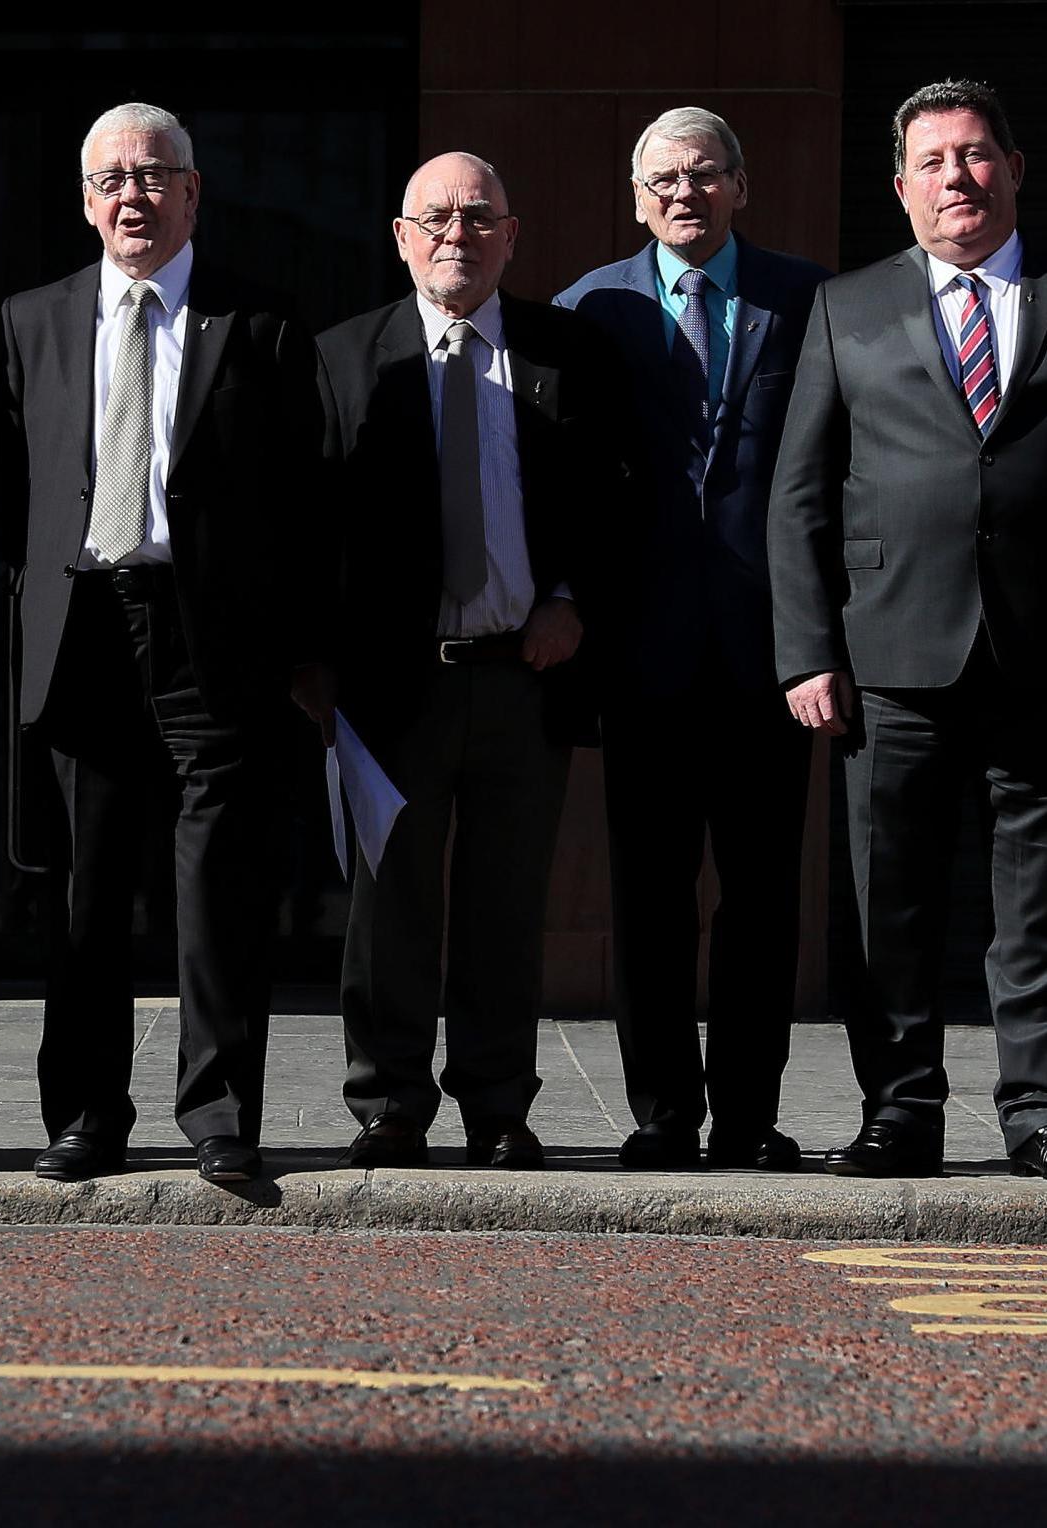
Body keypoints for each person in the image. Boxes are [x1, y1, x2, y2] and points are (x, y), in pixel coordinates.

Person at [0, 102, 332, 1185]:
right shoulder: (31, 320)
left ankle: (220, 1117)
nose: (132, 196)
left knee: (219, 886)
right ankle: (88, 1116)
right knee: (87, 890)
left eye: (154, 177)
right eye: (111, 180)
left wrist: (299, 650)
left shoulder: (267, 323)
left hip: (212, 638)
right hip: (84, 628)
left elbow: (301, 498)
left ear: (194, 193)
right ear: (85, 201)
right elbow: (16, 493)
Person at [319, 152, 618, 1172]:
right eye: (436, 217)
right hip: (393, 687)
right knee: (390, 905)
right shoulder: (344, 358)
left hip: (522, 677)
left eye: (479, 215)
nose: (458, 233)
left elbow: (610, 507)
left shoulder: (566, 353)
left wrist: (573, 602)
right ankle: (389, 1103)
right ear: (400, 236)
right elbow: (309, 531)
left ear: (511, 234)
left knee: (503, 906)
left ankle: (497, 1105)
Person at [769, 78, 1047, 1179]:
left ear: (1014, 169)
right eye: (932, 163)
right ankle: (901, 1113)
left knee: (1035, 911)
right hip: (888, 655)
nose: (957, 180)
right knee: (894, 900)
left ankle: (1036, 1115)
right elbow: (801, 495)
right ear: (900, 188)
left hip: (1039, 657)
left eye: (976, 155)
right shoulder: (849, 308)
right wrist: (806, 651)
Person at [555, 108, 829, 1172]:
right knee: (651, 897)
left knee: (763, 898)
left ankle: (751, 1117)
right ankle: (663, 1112)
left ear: (741, 186)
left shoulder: (809, 300)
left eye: (704, 174)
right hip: (642, 654)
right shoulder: (593, 307)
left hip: (771, 654)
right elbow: (567, 484)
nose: (684, 192)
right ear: (636, 197)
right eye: (663, 179)